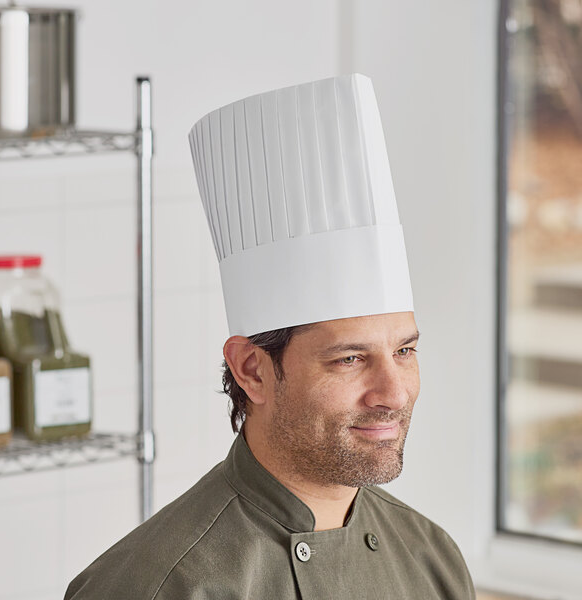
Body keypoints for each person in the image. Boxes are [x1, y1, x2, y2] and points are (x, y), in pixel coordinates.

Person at [64, 73, 475, 599]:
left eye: (404, 350)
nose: (394, 392)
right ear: (252, 370)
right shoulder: (157, 584)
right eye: (349, 359)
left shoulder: (431, 558)